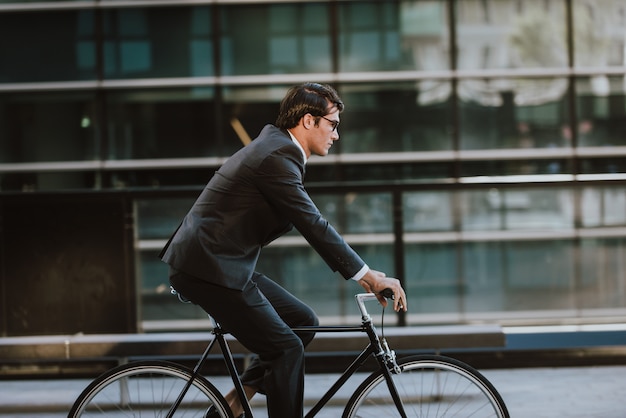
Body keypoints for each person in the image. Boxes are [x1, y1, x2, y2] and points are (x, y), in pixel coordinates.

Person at [160, 82, 407, 418]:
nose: (336, 135)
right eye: (332, 125)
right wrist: (366, 276)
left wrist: (363, 275)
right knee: (287, 350)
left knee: (302, 322)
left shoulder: (278, 149)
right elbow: (312, 223)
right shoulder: (276, 156)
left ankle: (231, 406)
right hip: (209, 268)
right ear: (308, 121)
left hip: (224, 265)